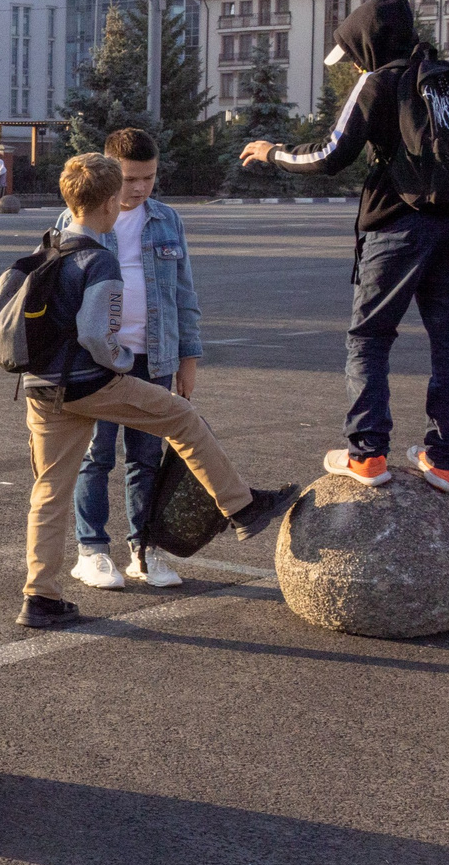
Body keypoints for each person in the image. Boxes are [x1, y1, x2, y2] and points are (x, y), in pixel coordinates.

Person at [19, 152, 297, 630]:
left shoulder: (51, 244)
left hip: (41, 387)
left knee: (49, 491)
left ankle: (40, 598)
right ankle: (242, 507)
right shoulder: (99, 259)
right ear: (109, 203)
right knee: (182, 419)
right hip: (89, 383)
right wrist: (122, 364)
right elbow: (95, 334)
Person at [240, 0, 449, 492]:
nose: (350, 68)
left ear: (368, 45)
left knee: (369, 338)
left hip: (398, 227)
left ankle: (367, 455)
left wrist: (272, 153)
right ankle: (446, 458)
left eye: (351, 57)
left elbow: (330, 154)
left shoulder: (379, 81)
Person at [52, 127, 203, 592]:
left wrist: (188, 357)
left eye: (149, 178)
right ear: (110, 175)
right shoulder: (76, 218)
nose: (139, 189)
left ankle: (144, 550)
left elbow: (183, 292)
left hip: (154, 355)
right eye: (131, 179)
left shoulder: (166, 220)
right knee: (96, 457)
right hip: (97, 360)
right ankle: (92, 551)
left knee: (146, 457)